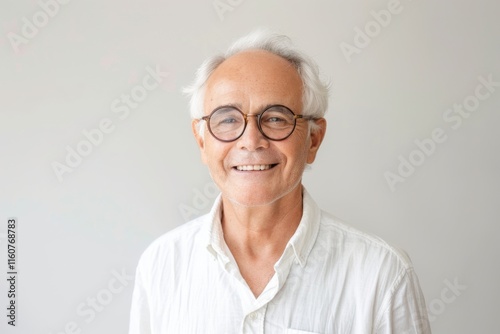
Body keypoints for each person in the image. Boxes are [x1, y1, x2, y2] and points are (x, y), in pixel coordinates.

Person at [129, 29, 431, 334]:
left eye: (275, 118)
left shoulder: (382, 276)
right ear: (201, 141)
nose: (250, 141)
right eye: (228, 119)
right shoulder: (160, 265)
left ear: (313, 139)